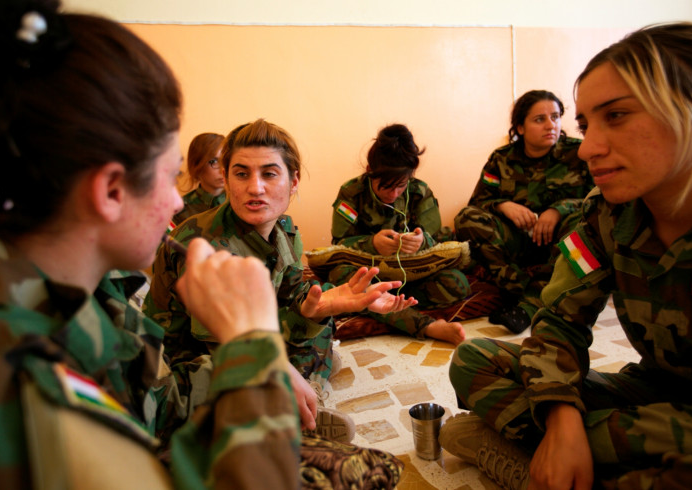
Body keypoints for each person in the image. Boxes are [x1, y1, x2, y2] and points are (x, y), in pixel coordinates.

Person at [0, 1, 300, 487]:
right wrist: (254, 350)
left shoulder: (92, 286)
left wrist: (263, 362)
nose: (178, 201)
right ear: (111, 191)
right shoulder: (20, 387)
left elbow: (163, 409)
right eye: (171, 177)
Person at [441, 22, 692, 489]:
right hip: (655, 387)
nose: (588, 147)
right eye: (586, 125)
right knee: (474, 361)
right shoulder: (611, 213)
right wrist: (562, 414)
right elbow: (561, 320)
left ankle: (537, 464)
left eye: (617, 116)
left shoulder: (587, 188)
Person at [144, 118, 416, 442]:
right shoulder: (201, 243)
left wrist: (323, 303)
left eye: (269, 174)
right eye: (241, 173)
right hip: (196, 359)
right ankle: (289, 411)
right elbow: (228, 347)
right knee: (251, 375)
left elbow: (292, 289)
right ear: (227, 180)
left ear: (293, 180)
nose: (255, 188)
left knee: (320, 322)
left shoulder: (284, 229)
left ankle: (304, 396)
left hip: (251, 335)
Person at [454, 90, 593, 334]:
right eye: (540, 119)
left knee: (582, 223)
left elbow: (601, 199)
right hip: (518, 242)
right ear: (520, 127)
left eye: (556, 117)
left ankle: (528, 307)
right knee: (466, 219)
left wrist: (559, 210)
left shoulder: (579, 153)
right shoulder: (501, 159)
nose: (551, 125)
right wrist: (503, 205)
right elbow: (476, 204)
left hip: (561, 242)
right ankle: (516, 286)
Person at [330, 123, 471, 345]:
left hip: (410, 278)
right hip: (370, 275)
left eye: (401, 186)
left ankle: (381, 304)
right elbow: (338, 245)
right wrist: (371, 244)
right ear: (370, 171)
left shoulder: (419, 191)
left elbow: (436, 242)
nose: (394, 194)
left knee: (457, 283)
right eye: (386, 186)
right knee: (339, 277)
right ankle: (428, 326)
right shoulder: (352, 193)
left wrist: (422, 241)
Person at [171, 132, 227, 226]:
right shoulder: (180, 210)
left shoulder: (238, 200)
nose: (222, 168)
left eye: (225, 160)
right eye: (213, 161)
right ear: (197, 165)